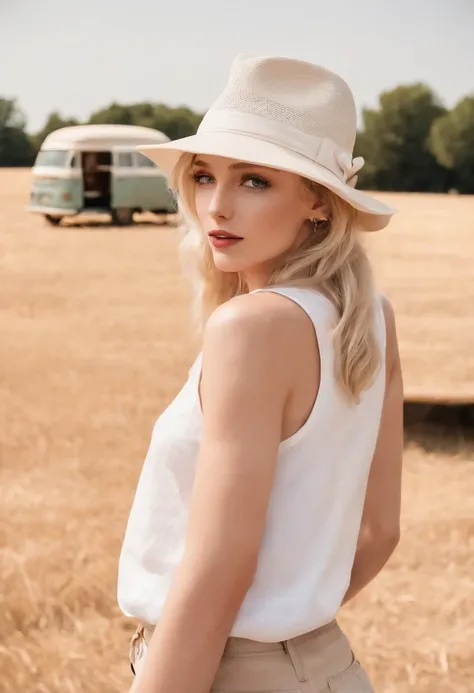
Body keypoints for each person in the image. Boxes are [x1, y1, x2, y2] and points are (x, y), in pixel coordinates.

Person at [117, 54, 404, 693]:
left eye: (253, 181)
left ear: (320, 204)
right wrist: (291, 619)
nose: (216, 207)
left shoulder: (251, 328)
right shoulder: (372, 319)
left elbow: (220, 568)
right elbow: (380, 532)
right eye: (203, 177)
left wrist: (252, 647)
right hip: (328, 669)